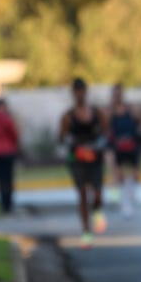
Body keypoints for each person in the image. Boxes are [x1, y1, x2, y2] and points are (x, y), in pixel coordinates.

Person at [60, 78, 109, 246]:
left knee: (97, 192)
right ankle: (86, 231)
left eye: (82, 90)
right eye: (76, 91)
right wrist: (74, 145)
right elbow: (61, 137)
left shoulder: (97, 113)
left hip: (95, 157)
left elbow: (106, 133)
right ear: (73, 93)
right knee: (82, 194)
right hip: (77, 158)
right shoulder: (68, 116)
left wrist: (96, 146)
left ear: (86, 92)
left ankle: (97, 209)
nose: (79, 94)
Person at [108, 83, 141, 217]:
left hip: (131, 145)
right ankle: (124, 203)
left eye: (119, 93)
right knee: (119, 175)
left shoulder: (130, 109)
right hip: (118, 147)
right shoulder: (110, 112)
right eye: (115, 94)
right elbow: (107, 129)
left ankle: (131, 196)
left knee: (135, 174)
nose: (117, 96)